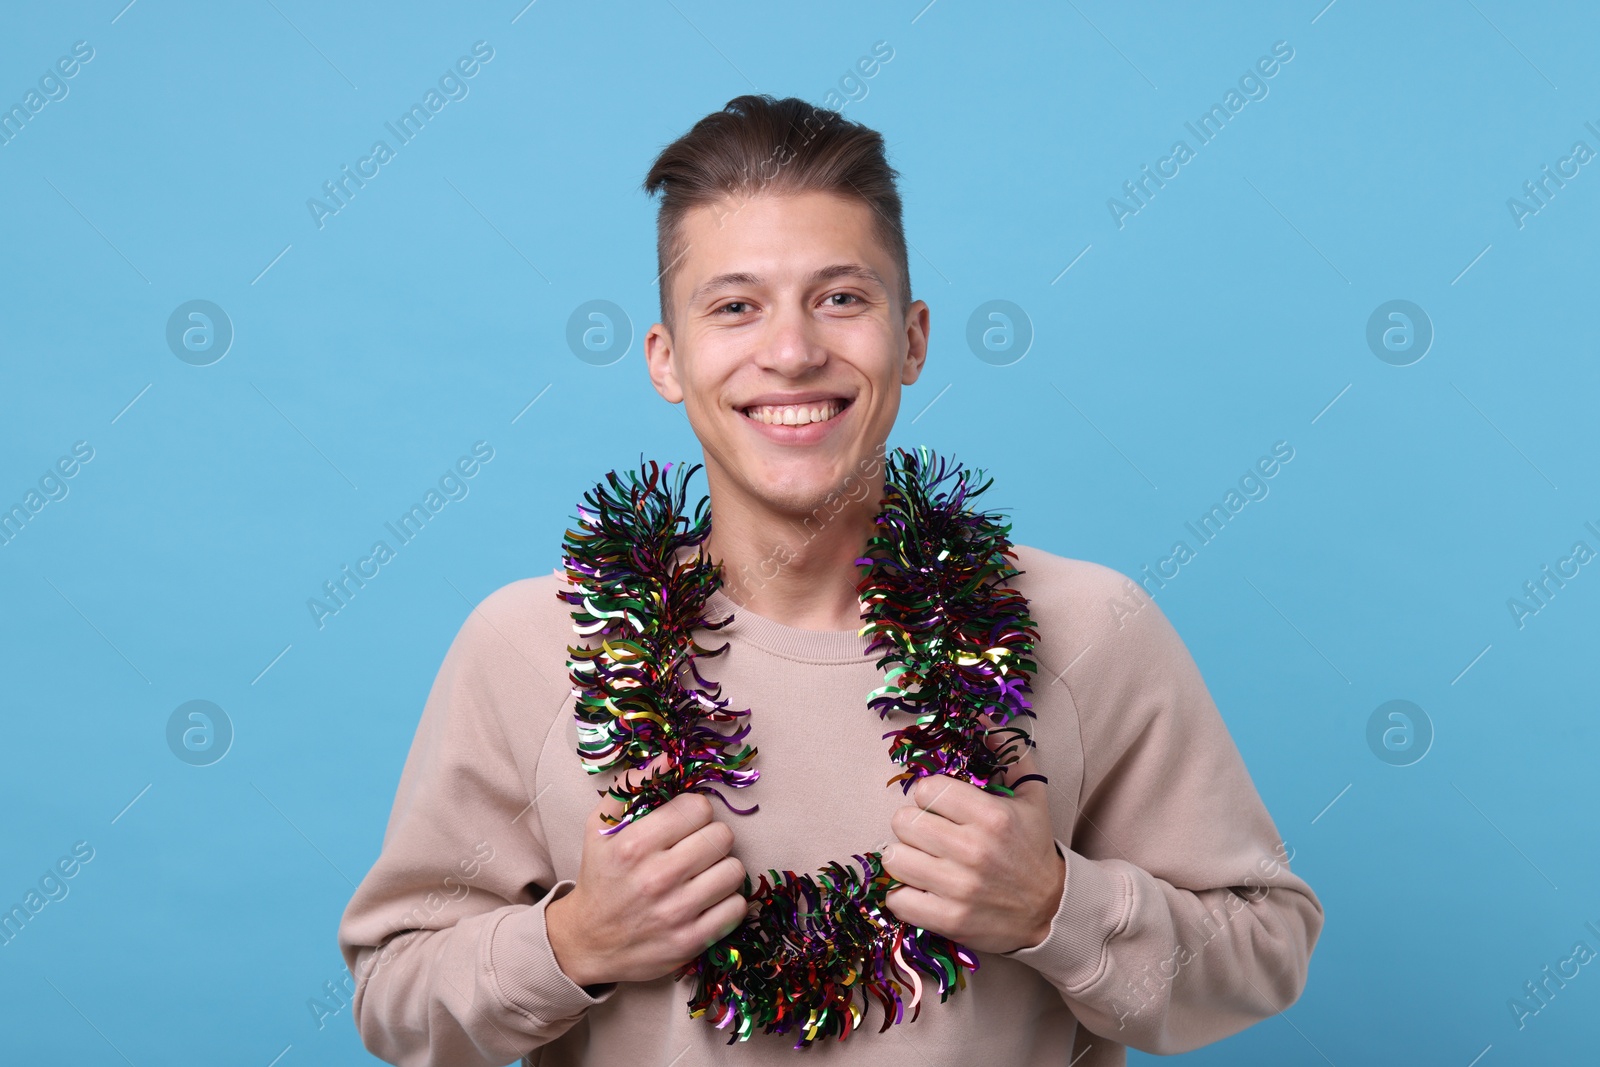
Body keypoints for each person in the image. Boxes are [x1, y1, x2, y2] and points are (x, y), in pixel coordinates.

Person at [337, 94, 1323, 1067]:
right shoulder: (527, 644)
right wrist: (572, 943)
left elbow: (1263, 955)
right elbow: (395, 999)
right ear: (667, 358)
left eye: (840, 297)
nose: (793, 351)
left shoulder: (1088, 627)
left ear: (912, 338)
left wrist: (1057, 905)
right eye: (734, 307)